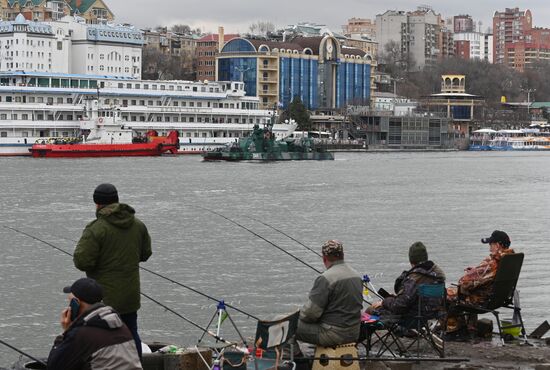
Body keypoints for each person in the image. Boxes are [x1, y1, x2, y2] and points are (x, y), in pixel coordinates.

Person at [73, 183, 152, 358]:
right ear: (116, 199)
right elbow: (145, 253)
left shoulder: (96, 229)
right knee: (131, 334)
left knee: (101, 340)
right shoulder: (138, 225)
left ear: (97, 202)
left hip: (103, 298)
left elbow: (82, 261)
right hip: (130, 295)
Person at [46, 277, 142, 370]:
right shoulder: (121, 325)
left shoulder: (82, 334)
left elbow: (54, 366)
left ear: (77, 303)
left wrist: (65, 333)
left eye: (70, 301)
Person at [446, 230, 516, 337]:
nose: (489, 248)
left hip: (481, 301)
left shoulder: (493, 263)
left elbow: (464, 282)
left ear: (497, 245)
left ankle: (454, 330)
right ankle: (471, 328)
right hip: (498, 298)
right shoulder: (511, 260)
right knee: (470, 290)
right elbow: (488, 277)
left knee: (447, 293)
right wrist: (476, 271)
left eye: (491, 244)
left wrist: (471, 274)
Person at [295, 240, 363, 347]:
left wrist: (295, 316)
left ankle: (297, 359)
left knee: (284, 325)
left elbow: (310, 314)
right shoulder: (357, 276)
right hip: (354, 333)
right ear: (343, 255)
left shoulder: (325, 278)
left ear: (324, 258)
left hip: (332, 334)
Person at [367, 241, 446, 319]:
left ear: (411, 260)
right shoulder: (437, 276)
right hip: (431, 314)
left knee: (370, 310)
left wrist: (384, 302)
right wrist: (397, 297)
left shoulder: (414, 278)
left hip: (411, 317)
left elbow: (399, 306)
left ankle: (358, 332)